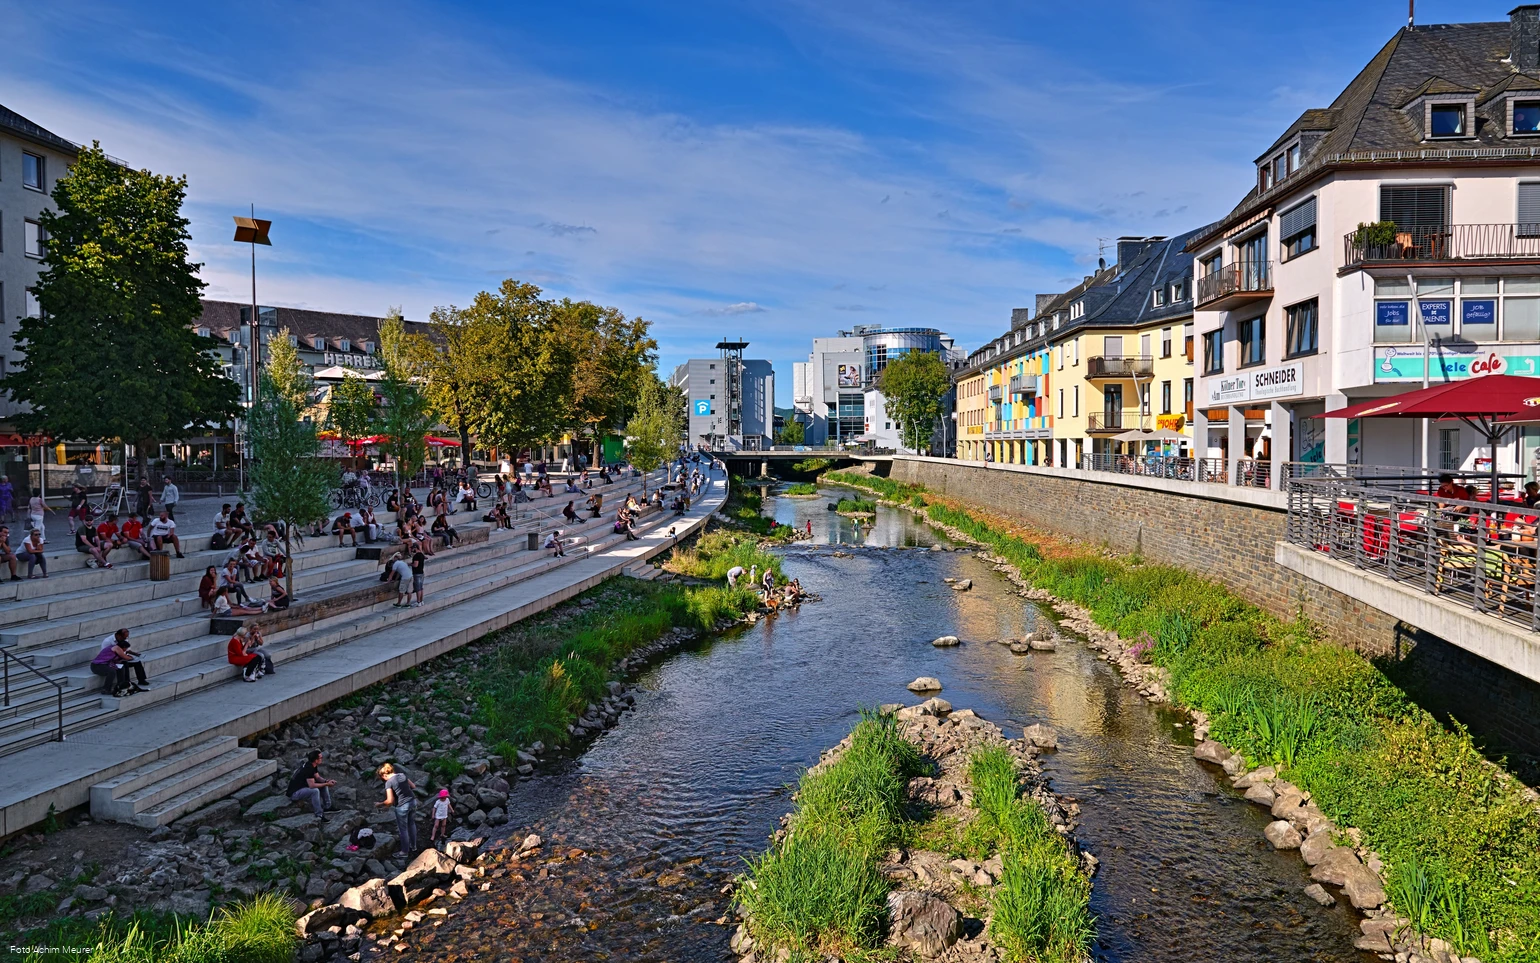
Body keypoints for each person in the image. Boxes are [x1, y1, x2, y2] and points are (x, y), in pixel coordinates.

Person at [376, 762, 418, 860]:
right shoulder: (402, 775)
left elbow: (389, 801)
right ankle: (414, 846)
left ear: (384, 775)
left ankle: (404, 852)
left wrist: (379, 804)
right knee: (411, 824)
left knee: (403, 830)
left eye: (383, 778)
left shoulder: (389, 782)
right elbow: (413, 786)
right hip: (413, 802)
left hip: (402, 806)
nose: (383, 780)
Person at [90, 628, 149, 696]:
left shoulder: (121, 643)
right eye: (124, 638)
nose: (125, 639)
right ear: (118, 636)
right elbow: (124, 656)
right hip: (99, 664)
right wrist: (129, 657)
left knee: (123, 666)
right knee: (112, 671)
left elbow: (125, 652)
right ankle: (106, 689)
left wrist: (135, 654)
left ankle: (122, 685)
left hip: (111, 661)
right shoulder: (112, 644)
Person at [289, 749, 337, 819]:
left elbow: (317, 777)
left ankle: (328, 806)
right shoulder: (309, 768)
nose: (322, 759)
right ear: (316, 760)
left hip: (302, 787)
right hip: (294, 793)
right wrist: (327, 784)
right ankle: (319, 814)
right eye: (320, 758)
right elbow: (312, 785)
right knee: (315, 791)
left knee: (324, 783)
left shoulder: (312, 765)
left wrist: (327, 781)